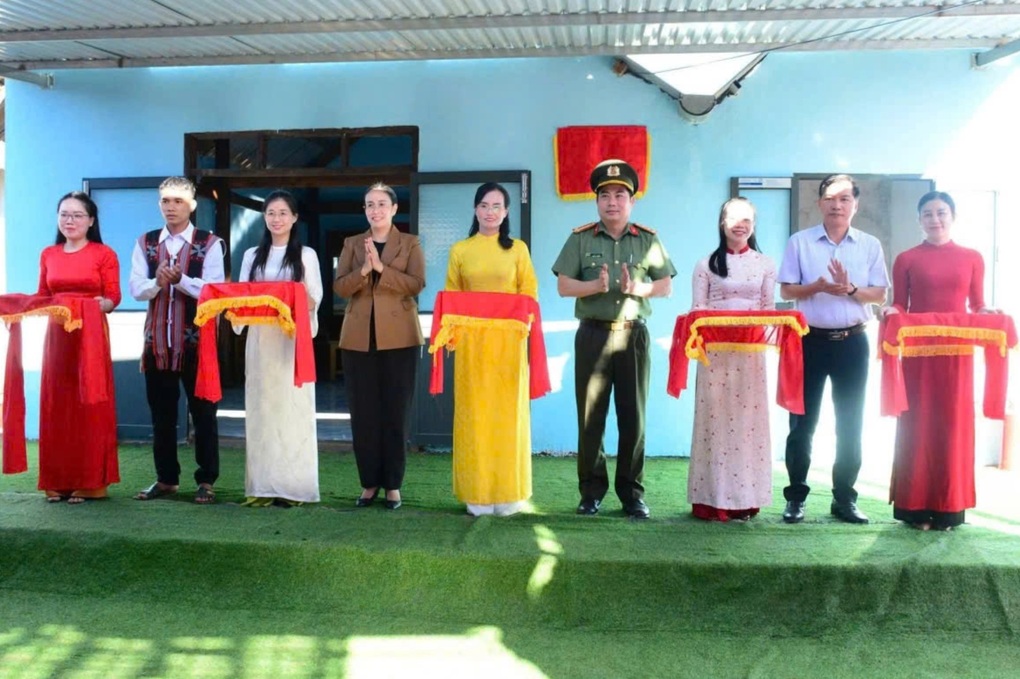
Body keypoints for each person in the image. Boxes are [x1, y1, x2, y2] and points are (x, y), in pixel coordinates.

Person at [552, 159, 676, 519]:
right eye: (605, 195)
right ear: (596, 201)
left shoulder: (648, 239)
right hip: (592, 334)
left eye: (620, 195)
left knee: (632, 417)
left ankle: (631, 493)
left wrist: (640, 288)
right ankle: (591, 491)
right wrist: (595, 286)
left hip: (633, 336)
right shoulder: (580, 238)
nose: (612, 202)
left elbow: (666, 286)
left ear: (631, 201)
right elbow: (563, 285)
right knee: (591, 417)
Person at [778, 174, 889, 524]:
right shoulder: (800, 242)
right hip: (809, 341)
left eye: (844, 199)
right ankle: (796, 497)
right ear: (821, 203)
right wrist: (818, 287)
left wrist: (851, 289)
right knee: (802, 423)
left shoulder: (870, 245)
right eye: (830, 198)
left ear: (855, 205)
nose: (837, 205)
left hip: (853, 343)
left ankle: (844, 498)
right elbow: (786, 290)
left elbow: (880, 295)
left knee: (850, 423)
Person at [886, 191, 992, 531]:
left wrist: (987, 313)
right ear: (919, 219)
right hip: (917, 354)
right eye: (928, 213)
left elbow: (977, 304)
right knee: (917, 425)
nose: (935, 219)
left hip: (957, 354)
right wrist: (892, 312)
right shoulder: (906, 258)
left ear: (953, 216)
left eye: (941, 212)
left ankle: (949, 509)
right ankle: (914, 509)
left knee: (953, 427)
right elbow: (901, 304)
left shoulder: (972, 257)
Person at [443, 182, 538, 517]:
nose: (490, 212)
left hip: (509, 345)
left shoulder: (518, 250)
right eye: (484, 205)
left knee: (507, 415)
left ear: (506, 212)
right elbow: (451, 298)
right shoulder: (460, 250)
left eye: (497, 206)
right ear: (475, 209)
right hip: (471, 346)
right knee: (474, 415)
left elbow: (529, 295)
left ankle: (510, 492)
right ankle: (477, 493)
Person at [130, 176, 226, 504]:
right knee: (162, 415)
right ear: (159, 204)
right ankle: (166, 479)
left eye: (178, 201)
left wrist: (181, 280)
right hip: (156, 343)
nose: (171, 207)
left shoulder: (210, 243)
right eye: (166, 201)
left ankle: (206, 480)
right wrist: (157, 282)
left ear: (192, 206)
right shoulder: (146, 243)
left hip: (197, 344)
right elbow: (135, 288)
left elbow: (213, 291)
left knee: (204, 414)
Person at [335, 183, 425, 510]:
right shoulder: (352, 244)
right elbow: (341, 287)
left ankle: (393, 486)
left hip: (400, 337)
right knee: (363, 413)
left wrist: (382, 270)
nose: (375, 210)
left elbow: (416, 284)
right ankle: (368, 483)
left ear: (394, 209)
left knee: (396, 411)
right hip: (359, 338)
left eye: (382, 204)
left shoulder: (410, 243)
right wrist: (363, 271)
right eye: (369, 205)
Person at [687, 198, 777, 521]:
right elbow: (697, 311)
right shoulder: (704, 265)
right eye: (734, 218)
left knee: (747, 425)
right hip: (715, 356)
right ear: (722, 222)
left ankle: (746, 500)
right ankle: (711, 500)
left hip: (751, 356)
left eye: (747, 219)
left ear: (753, 224)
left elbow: (769, 310)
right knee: (715, 423)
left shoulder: (766, 264)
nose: (740, 224)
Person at [235, 190, 323, 507]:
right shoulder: (250, 256)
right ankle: (261, 487)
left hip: (291, 341)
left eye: (283, 213)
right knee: (261, 410)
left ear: (295, 217)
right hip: (260, 341)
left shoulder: (307, 255)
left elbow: (314, 297)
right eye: (271, 213)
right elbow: (241, 297)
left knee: (293, 410)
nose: (276, 219)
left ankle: (294, 488)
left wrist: (289, 298)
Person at [34, 192, 121, 503]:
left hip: (91, 335)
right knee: (57, 403)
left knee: (91, 404)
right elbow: (42, 295)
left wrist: (103, 305)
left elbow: (113, 297)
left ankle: (91, 482)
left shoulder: (104, 254)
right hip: (57, 337)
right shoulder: (48, 254)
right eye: (64, 214)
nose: (69, 220)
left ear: (91, 221)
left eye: (77, 215)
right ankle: (57, 480)